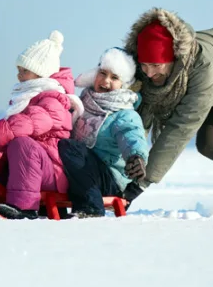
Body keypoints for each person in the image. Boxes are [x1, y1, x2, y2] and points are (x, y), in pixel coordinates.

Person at [0, 31, 82, 219]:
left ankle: (24, 207)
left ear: (40, 72)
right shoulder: (23, 98)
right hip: (19, 168)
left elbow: (31, 122)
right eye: (18, 70)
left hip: (49, 172)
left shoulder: (54, 100)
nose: (19, 76)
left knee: (23, 144)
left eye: (24, 71)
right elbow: (16, 124)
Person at [120, 8, 213, 204]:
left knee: (210, 140)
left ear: (173, 58)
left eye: (156, 65)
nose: (149, 73)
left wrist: (141, 183)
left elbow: (181, 126)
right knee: (210, 143)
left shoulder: (204, 69)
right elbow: (137, 122)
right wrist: (126, 166)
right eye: (145, 65)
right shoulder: (145, 72)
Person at [58, 48, 150, 217]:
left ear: (124, 84)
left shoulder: (124, 113)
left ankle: (91, 208)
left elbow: (130, 134)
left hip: (109, 179)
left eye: (114, 77)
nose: (106, 81)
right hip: (80, 174)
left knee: (69, 147)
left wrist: (135, 157)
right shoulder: (82, 104)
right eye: (103, 73)